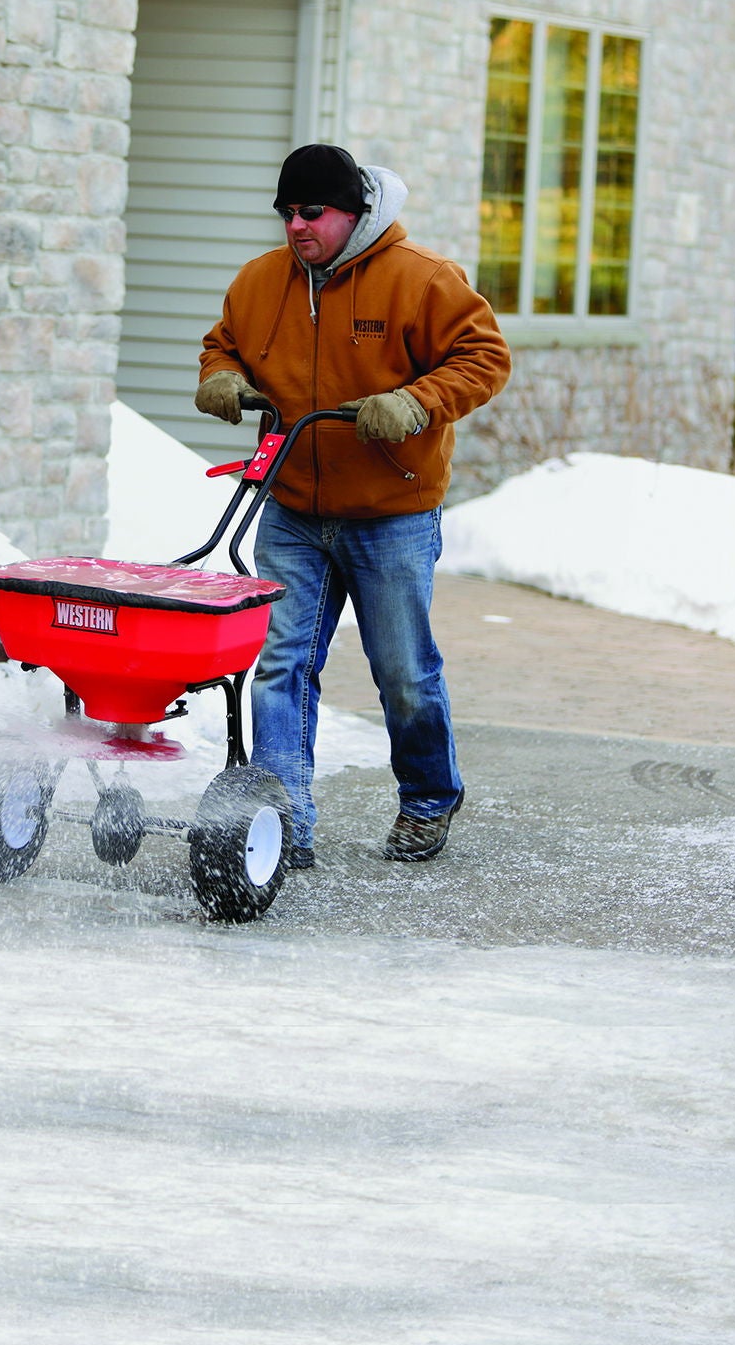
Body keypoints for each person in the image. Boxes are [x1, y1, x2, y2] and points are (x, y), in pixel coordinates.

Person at [194, 143, 511, 867]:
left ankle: (429, 800)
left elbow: (485, 356)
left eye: (312, 212)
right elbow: (224, 346)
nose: (296, 226)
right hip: (293, 509)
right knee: (279, 663)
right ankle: (283, 821)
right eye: (286, 213)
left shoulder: (422, 279)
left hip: (390, 512)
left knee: (402, 669)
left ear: (354, 212)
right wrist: (221, 378)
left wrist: (415, 401)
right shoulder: (260, 282)